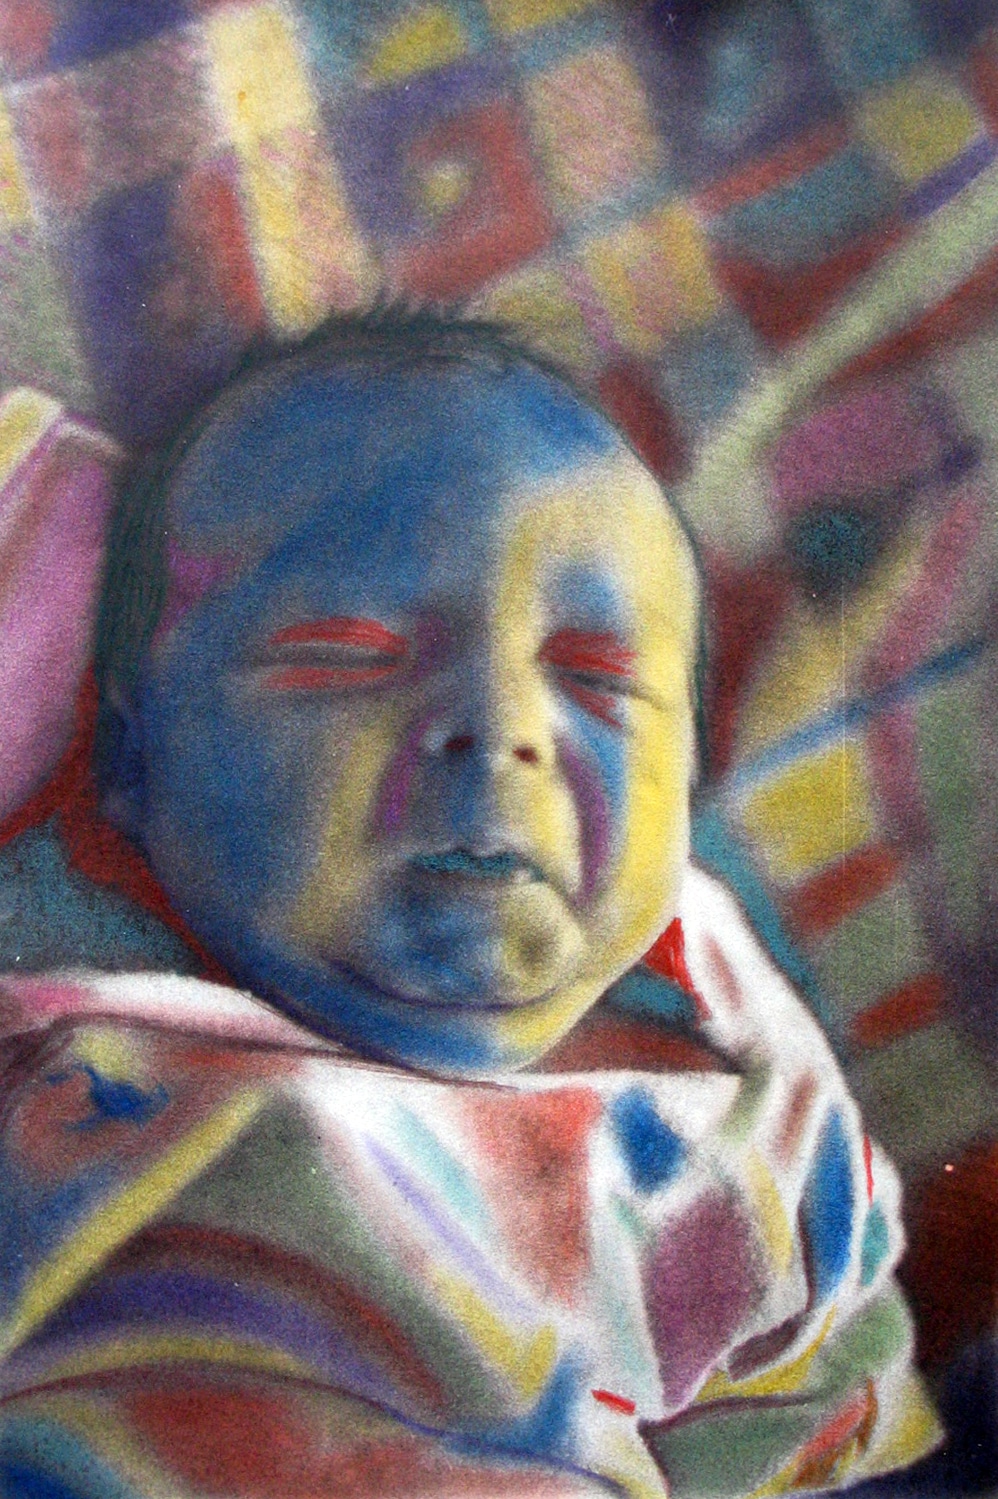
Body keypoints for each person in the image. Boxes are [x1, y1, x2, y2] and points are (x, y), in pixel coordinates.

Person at [0, 310, 940, 1497]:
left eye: (598, 677)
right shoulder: (61, 985)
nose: (500, 723)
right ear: (132, 756)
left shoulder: (741, 1102)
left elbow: (823, 1421)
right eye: (348, 651)